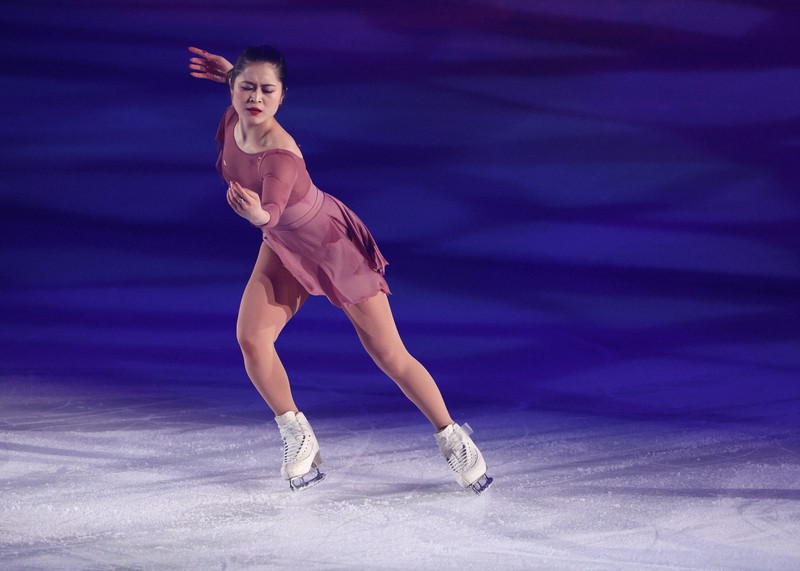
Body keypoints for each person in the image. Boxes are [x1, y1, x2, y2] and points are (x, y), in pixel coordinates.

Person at [188, 45, 492, 494]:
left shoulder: (280, 153)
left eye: (266, 90)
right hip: (284, 246)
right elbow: (273, 220)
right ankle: (298, 434)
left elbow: (271, 209)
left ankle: (453, 438)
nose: (255, 98)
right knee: (252, 339)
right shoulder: (234, 118)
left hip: (331, 246)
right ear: (232, 86)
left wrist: (258, 218)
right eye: (246, 86)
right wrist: (230, 73)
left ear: (282, 96)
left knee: (391, 356)